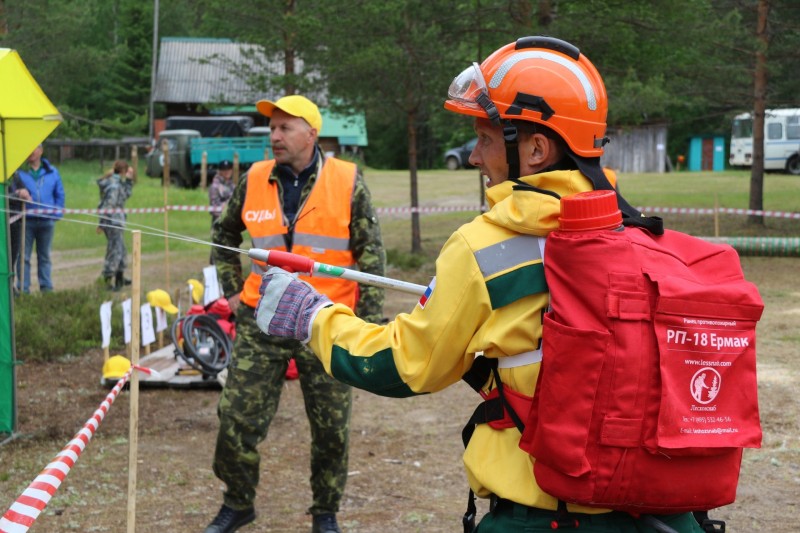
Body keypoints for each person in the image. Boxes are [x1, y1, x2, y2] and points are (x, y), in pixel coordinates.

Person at [253, 37, 704, 532]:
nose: (472, 157)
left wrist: (313, 317)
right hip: (666, 515)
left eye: (486, 139)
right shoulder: (639, 235)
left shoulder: (485, 247)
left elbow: (406, 366)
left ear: (535, 148)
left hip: (544, 515)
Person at [205, 94, 386, 533]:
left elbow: (372, 253)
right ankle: (238, 502)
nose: (274, 136)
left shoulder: (347, 179)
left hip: (324, 323)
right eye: (272, 128)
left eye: (285, 127)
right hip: (259, 320)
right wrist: (231, 293)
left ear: (311, 133)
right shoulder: (254, 178)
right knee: (235, 419)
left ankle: (325, 511)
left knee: (331, 429)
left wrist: (370, 323)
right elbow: (225, 233)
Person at [16, 144, 65, 293]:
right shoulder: (19, 172)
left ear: (41, 151)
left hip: (46, 221)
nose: (32, 151)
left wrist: (55, 214)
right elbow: (11, 191)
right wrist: (18, 193)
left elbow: (60, 194)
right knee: (23, 256)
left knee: (44, 257)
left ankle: (46, 287)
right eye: (29, 148)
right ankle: (23, 289)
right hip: (26, 221)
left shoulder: (52, 172)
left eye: (35, 147)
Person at [96, 160, 134, 291]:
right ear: (123, 171)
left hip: (117, 221)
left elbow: (125, 195)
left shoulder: (118, 183)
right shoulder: (114, 186)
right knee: (115, 251)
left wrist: (129, 181)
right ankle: (107, 279)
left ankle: (120, 277)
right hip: (112, 222)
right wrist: (102, 223)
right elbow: (108, 205)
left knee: (121, 249)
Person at [7, 171, 32, 295]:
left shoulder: (14, 174)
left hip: (15, 223)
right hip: (4, 223)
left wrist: (26, 195)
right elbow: (4, 197)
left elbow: (24, 190)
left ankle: (10, 288)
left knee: (12, 258)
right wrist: (17, 195)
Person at [208, 159, 235, 264]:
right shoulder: (215, 186)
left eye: (228, 169)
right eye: (224, 170)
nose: (227, 172)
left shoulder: (232, 185)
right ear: (220, 171)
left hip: (231, 223)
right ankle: (213, 274)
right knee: (217, 249)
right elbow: (214, 208)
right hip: (219, 222)